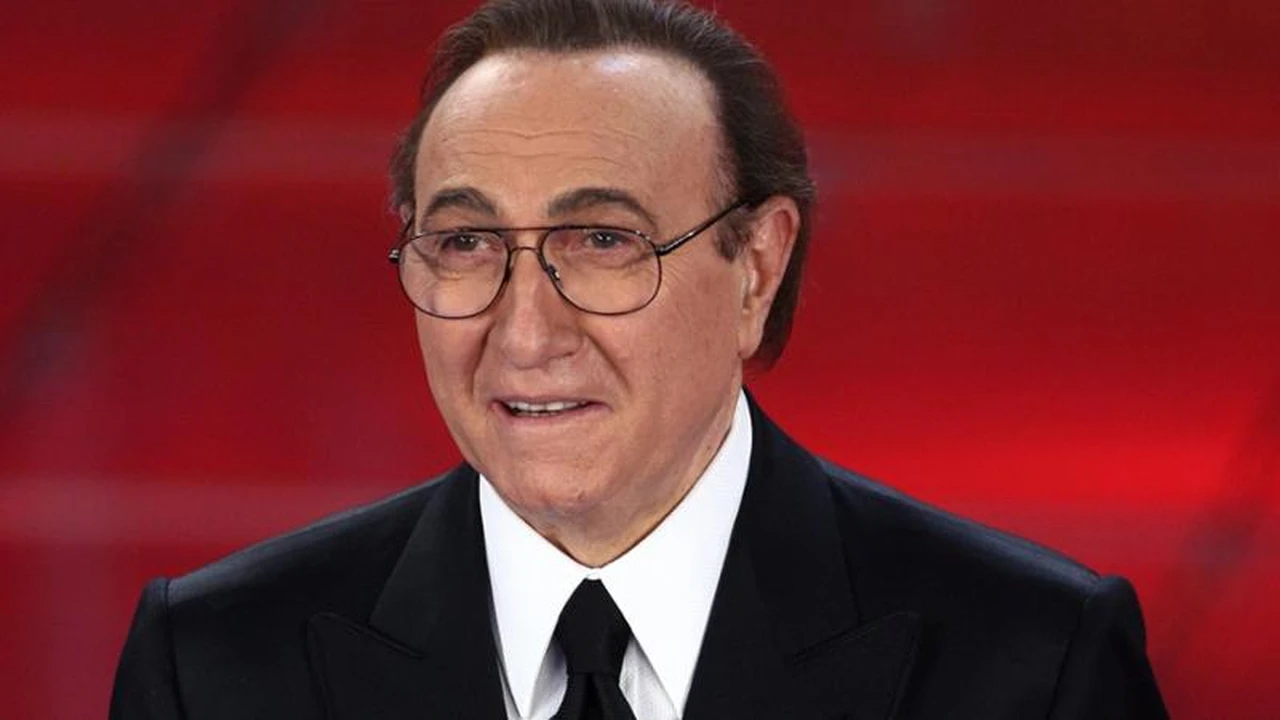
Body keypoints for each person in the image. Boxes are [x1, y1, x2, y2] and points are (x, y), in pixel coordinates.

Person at [110, 0, 1169, 718]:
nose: (526, 334)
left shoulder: (1033, 665)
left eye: (602, 242)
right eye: (467, 242)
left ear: (755, 268)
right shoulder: (214, 666)